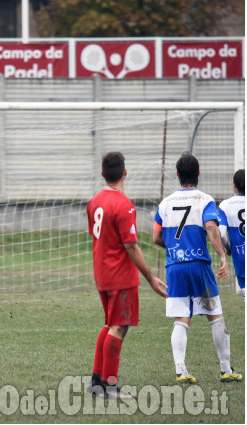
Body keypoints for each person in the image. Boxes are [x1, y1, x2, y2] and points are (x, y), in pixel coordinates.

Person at [153, 153, 242, 383]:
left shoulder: (165, 203)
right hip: (199, 265)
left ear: (177, 175)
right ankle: (225, 369)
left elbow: (155, 236)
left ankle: (181, 370)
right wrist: (222, 255)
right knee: (215, 316)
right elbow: (211, 228)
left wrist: (173, 246)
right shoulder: (205, 200)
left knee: (181, 319)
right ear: (198, 174)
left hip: (175, 267)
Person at [86, 152, 168, 399]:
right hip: (120, 277)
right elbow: (131, 245)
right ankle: (109, 387)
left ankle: (96, 381)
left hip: (102, 274)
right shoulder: (124, 205)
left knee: (110, 325)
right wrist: (151, 278)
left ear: (102, 174)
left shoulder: (94, 202)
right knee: (119, 328)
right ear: (125, 173)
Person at [218, 169, 245, 299]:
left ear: (233, 184)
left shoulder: (225, 205)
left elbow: (221, 234)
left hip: (240, 257)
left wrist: (229, 249)